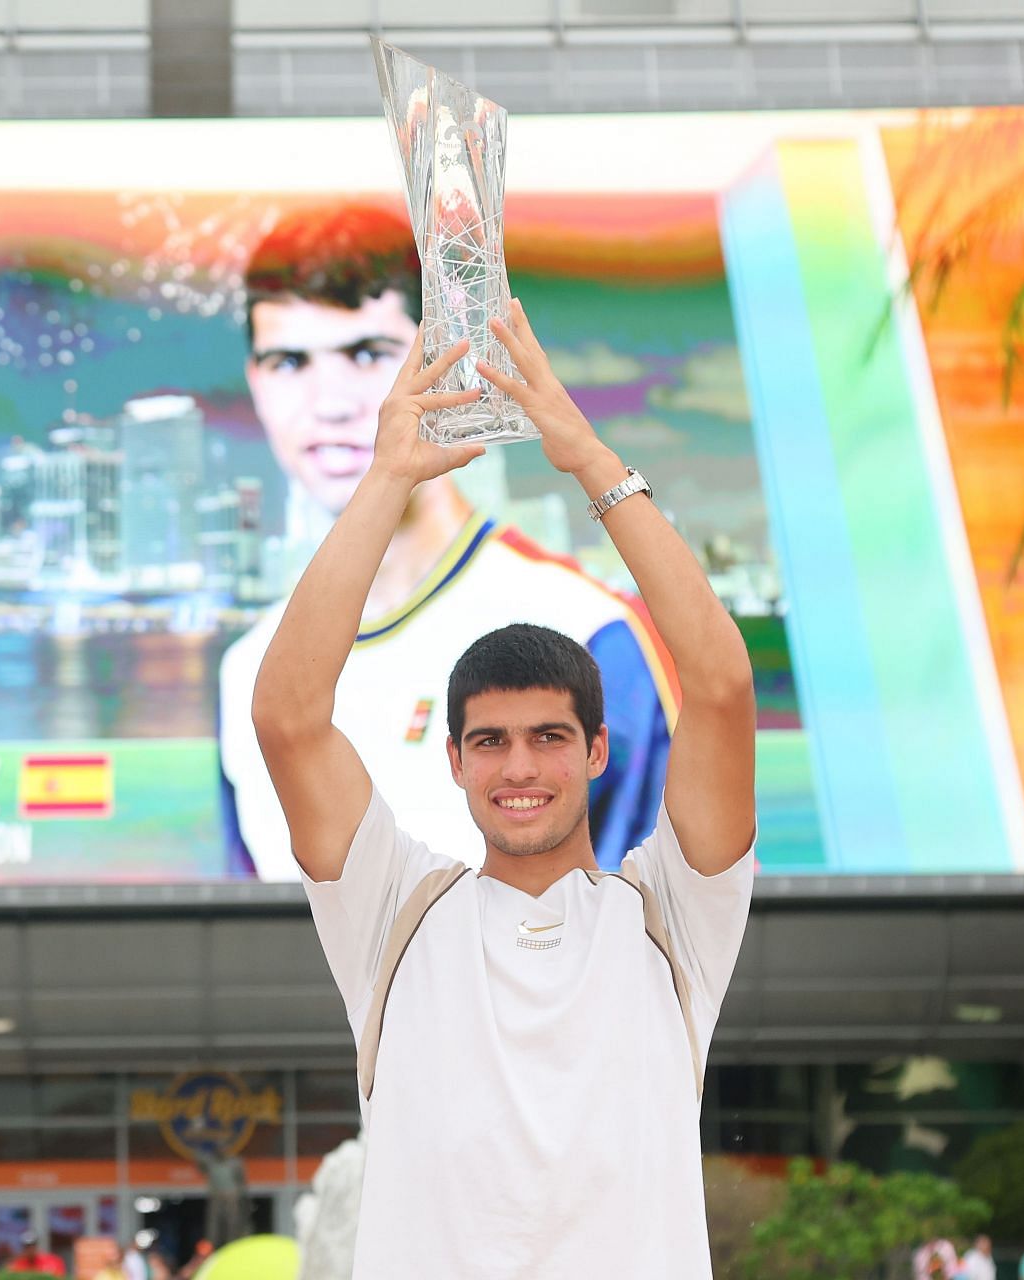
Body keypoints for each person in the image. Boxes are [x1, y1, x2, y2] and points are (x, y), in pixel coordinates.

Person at [251, 304, 756, 1273]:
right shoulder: (393, 909)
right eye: (490, 740)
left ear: (598, 749)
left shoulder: (672, 912)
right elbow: (287, 718)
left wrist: (587, 457)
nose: (520, 766)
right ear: (454, 759)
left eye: (548, 737)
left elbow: (723, 687)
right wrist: (388, 474)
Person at [219, 204, 677, 881]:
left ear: (450, 360)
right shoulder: (250, 673)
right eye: (289, 362)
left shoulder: (587, 630)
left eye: (368, 354)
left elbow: (662, 930)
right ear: (257, 383)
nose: (330, 403)